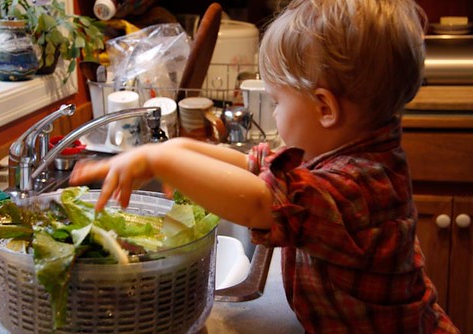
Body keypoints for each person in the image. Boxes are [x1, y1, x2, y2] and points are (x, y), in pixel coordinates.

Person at [70, 0, 459, 332]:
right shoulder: (348, 156)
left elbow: (260, 203)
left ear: (325, 108)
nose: (274, 113)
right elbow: (251, 169)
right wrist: (181, 148)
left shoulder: (357, 186)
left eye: (277, 101)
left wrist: (161, 158)